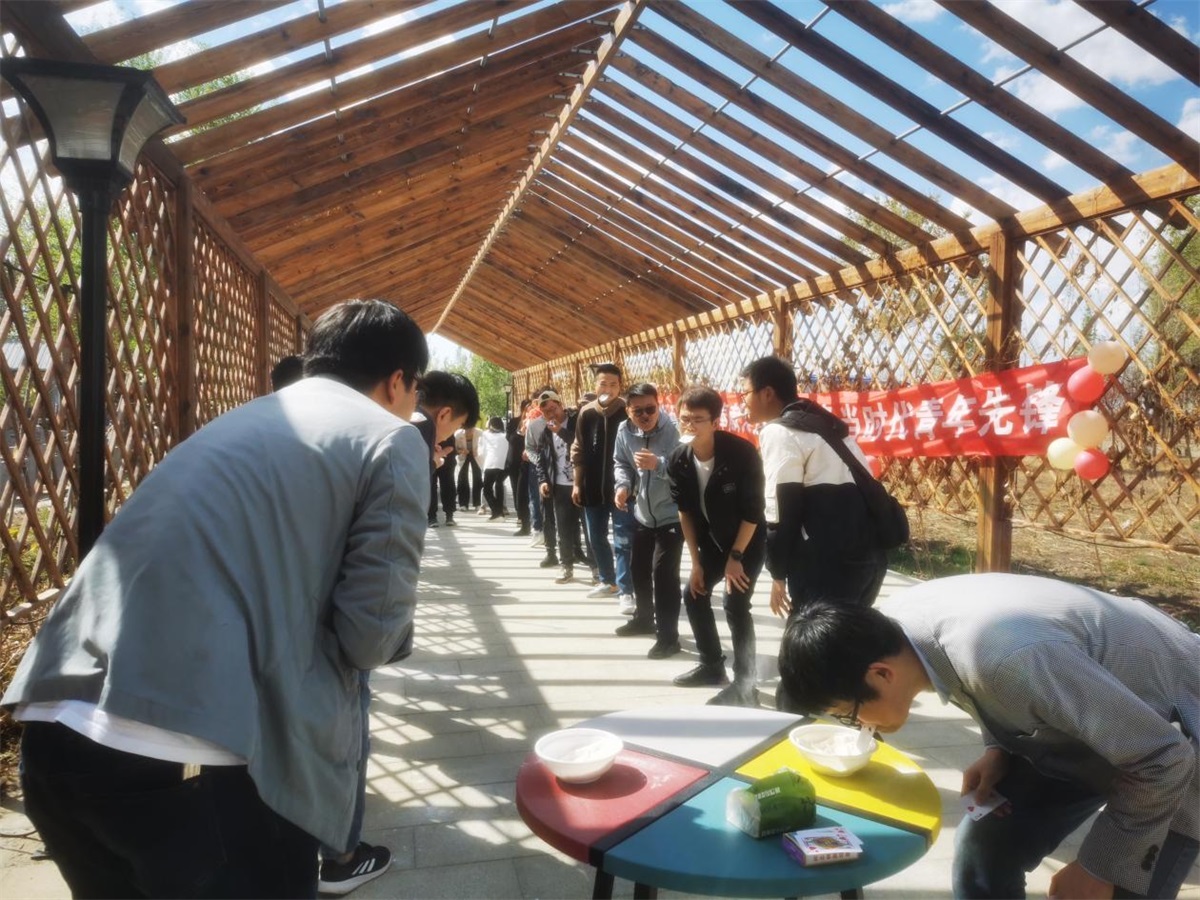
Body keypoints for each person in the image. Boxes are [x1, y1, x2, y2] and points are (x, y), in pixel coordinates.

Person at [3, 300, 432, 899]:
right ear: (397, 381)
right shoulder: (391, 438)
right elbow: (370, 637)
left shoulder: (241, 420)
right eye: (417, 389)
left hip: (55, 734)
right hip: (202, 763)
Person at [777, 573, 1200, 900]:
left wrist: (1098, 868)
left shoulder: (1005, 657)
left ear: (880, 675)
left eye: (848, 715)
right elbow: (974, 680)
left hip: (1174, 732)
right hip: (1086, 725)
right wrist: (998, 746)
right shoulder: (896, 631)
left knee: (1116, 886)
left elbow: (1165, 759)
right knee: (985, 847)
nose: (859, 727)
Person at [739, 356, 886, 619]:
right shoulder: (827, 424)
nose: (743, 402)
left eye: (745, 393)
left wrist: (777, 573)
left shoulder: (779, 432)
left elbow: (781, 507)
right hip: (869, 556)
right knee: (850, 635)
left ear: (767, 393)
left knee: (810, 640)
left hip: (827, 563)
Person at [667, 386, 766, 706]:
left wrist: (736, 556)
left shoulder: (741, 453)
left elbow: (753, 511)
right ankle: (711, 665)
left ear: (715, 422)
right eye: (684, 419)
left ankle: (746, 682)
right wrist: (696, 563)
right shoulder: (678, 459)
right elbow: (685, 513)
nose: (690, 426)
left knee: (735, 604)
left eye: (698, 419)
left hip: (747, 541)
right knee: (694, 593)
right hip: (711, 541)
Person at [613, 383, 683, 657]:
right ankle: (644, 619)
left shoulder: (675, 429)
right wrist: (623, 486)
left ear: (659, 404)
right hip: (642, 513)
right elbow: (621, 462)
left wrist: (659, 465)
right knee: (638, 569)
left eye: (650, 409)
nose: (645, 415)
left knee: (664, 575)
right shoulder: (624, 431)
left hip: (672, 515)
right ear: (628, 411)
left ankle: (669, 637)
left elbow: (687, 467)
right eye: (637, 411)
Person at [571, 363, 636, 608]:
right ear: (595, 385)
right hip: (592, 486)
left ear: (620, 386)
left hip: (622, 488)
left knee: (623, 539)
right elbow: (578, 449)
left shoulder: (628, 412)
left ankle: (626, 589)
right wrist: (577, 483)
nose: (608, 388)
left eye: (613, 384)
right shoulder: (587, 413)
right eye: (603, 383)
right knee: (595, 536)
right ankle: (608, 580)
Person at [413, 372, 480, 529]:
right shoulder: (419, 432)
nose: (453, 433)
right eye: (459, 425)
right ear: (444, 414)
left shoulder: (405, 424)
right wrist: (427, 465)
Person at [533, 390, 584, 584]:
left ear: (561, 405)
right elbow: (541, 459)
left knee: (589, 529)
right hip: (560, 486)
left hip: (581, 483)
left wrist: (560, 431)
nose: (551, 414)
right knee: (563, 528)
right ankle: (566, 566)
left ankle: (596, 568)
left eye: (554, 408)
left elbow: (581, 444)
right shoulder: (546, 431)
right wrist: (543, 480)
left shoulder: (577, 421)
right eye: (546, 412)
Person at [478, 416, 509, 520]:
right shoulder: (505, 436)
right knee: (499, 486)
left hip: (490, 463)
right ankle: (500, 511)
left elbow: (481, 452)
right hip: (504, 464)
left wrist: (482, 464)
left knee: (487, 490)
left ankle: (496, 511)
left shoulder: (485, 435)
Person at [455, 425, 483, 511]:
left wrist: (478, 451)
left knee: (478, 477)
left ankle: (478, 503)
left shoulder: (480, 433)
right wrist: (461, 451)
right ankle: (463, 503)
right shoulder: (458, 434)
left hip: (476, 455)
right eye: (467, 429)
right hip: (463, 455)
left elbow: (484, 446)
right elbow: (455, 448)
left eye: (471, 429)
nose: (469, 432)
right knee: (462, 477)